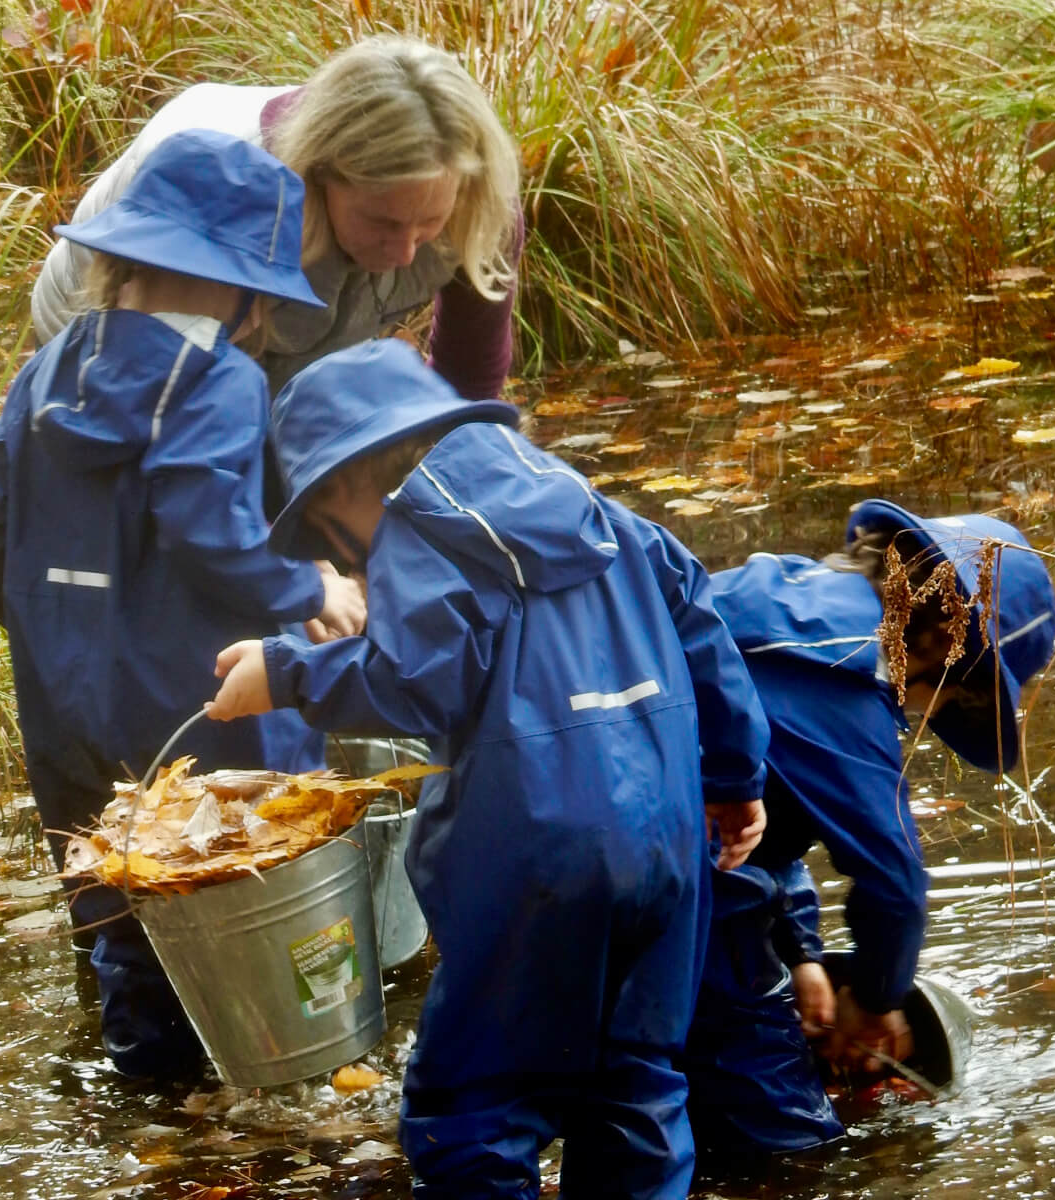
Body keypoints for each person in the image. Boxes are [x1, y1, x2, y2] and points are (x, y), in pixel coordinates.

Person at [205, 338, 771, 1200]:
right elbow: (702, 624)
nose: (352, 560)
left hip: (536, 858)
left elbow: (417, 680)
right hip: (667, 845)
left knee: (471, 1113)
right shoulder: (591, 504)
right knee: (640, 1092)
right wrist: (735, 778)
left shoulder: (415, 525)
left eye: (330, 531)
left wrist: (285, 673)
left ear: (349, 481)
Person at [0, 128, 366, 1078]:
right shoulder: (218, 379)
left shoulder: (50, 367)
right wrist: (307, 586)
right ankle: (279, 1071)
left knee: (113, 875)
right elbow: (206, 521)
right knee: (246, 860)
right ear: (244, 284)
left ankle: (145, 1076)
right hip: (198, 690)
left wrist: (33, 611)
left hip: (61, 692)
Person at [683, 499, 1055, 1155]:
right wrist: (879, 1002)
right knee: (791, 1143)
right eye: (951, 697)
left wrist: (801, 956)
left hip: (532, 841)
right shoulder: (852, 669)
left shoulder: (774, 591)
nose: (918, 716)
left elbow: (767, 821)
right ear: (947, 643)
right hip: (669, 888)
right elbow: (893, 879)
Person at [31, 35, 522, 401]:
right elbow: (176, 406)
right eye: (383, 222)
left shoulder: (477, 202)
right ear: (321, 172)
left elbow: (469, 382)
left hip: (275, 331)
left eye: (429, 222)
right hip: (105, 319)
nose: (405, 253)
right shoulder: (231, 192)